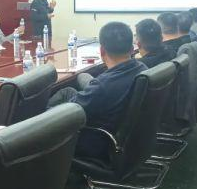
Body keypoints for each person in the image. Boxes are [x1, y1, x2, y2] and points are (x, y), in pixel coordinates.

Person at [48, 22, 147, 160]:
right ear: (132, 49)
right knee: (68, 91)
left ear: (101, 51)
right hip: (126, 137)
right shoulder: (143, 69)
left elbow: (69, 114)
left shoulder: (103, 85)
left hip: (97, 142)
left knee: (49, 116)